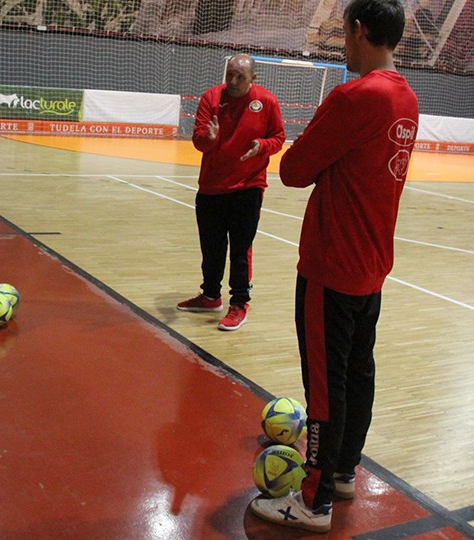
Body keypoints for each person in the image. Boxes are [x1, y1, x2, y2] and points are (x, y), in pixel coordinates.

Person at [249, 0, 419, 533]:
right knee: (358, 372)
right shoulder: (407, 97)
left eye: (343, 33)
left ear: (359, 30)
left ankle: (313, 499)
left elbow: (295, 170)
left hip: (332, 263)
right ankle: (343, 471)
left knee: (325, 386)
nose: (340, 43)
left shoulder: (355, 96)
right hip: (371, 262)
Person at [177, 53, 285, 332]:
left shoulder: (268, 102)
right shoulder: (210, 98)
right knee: (211, 247)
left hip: (248, 187)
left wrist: (262, 146)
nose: (233, 82)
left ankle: (239, 303)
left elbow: (279, 138)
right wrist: (208, 139)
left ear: (253, 79)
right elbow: (199, 141)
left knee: (240, 250)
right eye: (230, 76)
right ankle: (211, 296)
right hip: (211, 187)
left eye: (240, 77)